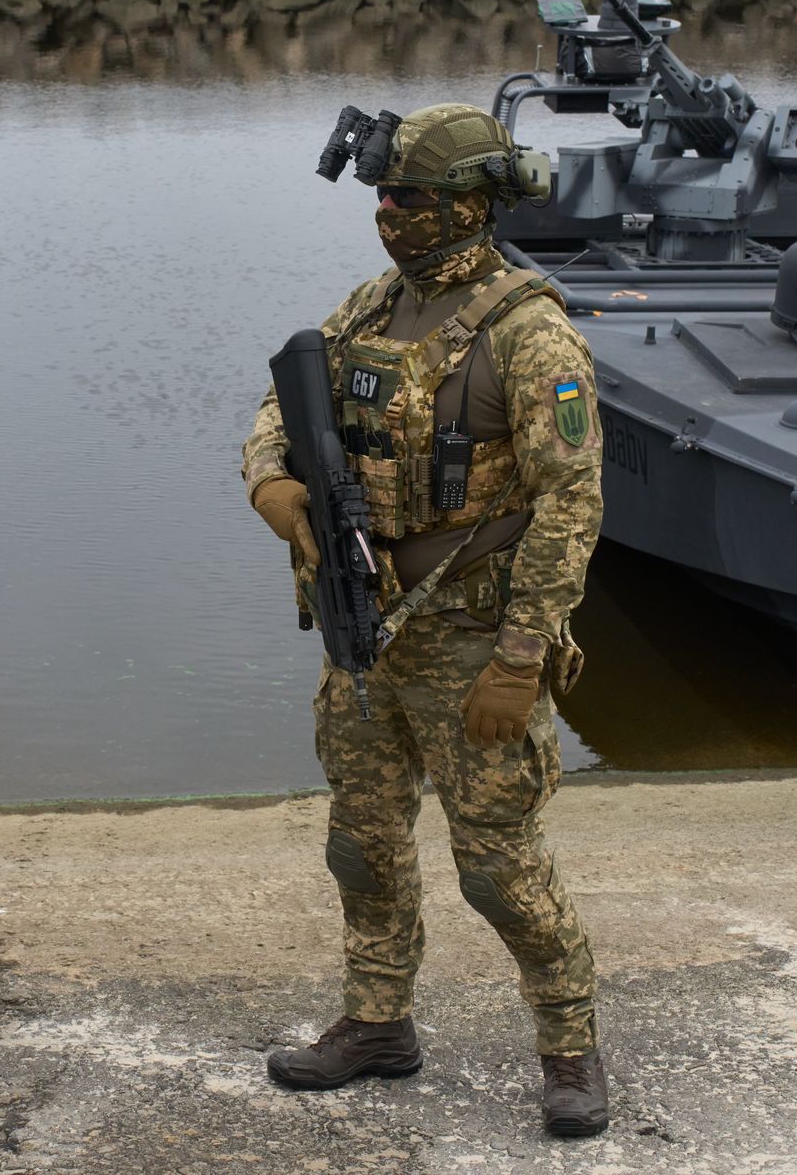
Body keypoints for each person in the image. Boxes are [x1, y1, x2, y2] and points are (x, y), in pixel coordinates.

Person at [242, 104, 608, 1136]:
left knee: (498, 867)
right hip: (364, 636)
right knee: (360, 846)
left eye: (409, 197)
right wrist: (269, 484)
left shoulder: (528, 334)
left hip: (472, 642)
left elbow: (569, 504)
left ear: (468, 205)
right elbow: (277, 414)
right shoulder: (369, 308)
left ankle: (569, 1047)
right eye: (382, 197)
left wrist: (520, 656)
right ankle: (374, 1023)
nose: (389, 213)